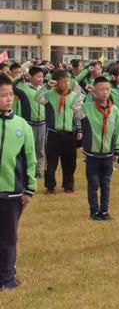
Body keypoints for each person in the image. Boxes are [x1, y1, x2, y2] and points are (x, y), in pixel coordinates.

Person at [0, 74, 36, 291]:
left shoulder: (22, 125)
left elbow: (31, 159)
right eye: (2, 95)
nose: (8, 99)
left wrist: (30, 189)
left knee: (9, 237)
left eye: (10, 94)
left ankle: (7, 278)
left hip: (13, 193)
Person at [73, 76, 119, 220]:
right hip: (92, 155)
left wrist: (117, 150)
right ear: (94, 91)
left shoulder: (115, 111)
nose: (105, 92)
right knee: (93, 184)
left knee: (106, 184)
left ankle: (105, 211)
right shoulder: (87, 108)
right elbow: (74, 107)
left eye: (108, 89)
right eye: (101, 89)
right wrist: (83, 91)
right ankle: (94, 211)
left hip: (107, 154)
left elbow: (117, 132)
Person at [35, 70, 84, 194]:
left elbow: (78, 114)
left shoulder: (74, 95)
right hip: (53, 134)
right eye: (63, 82)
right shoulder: (50, 95)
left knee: (70, 161)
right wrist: (46, 86)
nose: (66, 84)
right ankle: (50, 186)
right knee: (51, 162)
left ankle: (68, 185)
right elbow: (37, 98)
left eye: (67, 81)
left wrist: (79, 129)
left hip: (69, 134)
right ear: (56, 83)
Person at [13, 66, 46, 178]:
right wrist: (21, 77)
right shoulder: (23, 88)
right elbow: (11, 85)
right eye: (38, 76)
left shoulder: (44, 89)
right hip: (28, 124)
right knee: (27, 149)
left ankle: (38, 172)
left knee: (40, 150)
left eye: (42, 76)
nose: (41, 79)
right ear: (30, 77)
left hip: (42, 124)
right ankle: (26, 171)